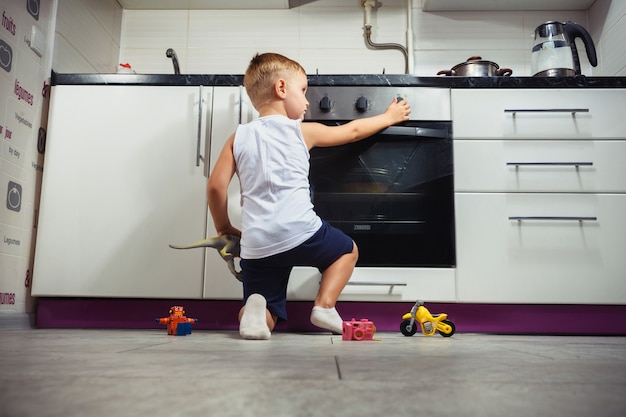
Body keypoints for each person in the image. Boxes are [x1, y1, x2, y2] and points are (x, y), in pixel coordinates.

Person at [207, 52, 411, 340]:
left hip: (257, 244)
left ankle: (255, 312)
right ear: (281, 89)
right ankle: (324, 307)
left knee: (267, 308)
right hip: (301, 232)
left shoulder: (238, 136)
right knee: (347, 250)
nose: (306, 102)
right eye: (303, 91)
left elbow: (216, 186)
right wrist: (388, 117)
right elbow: (352, 132)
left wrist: (223, 228)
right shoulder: (302, 131)